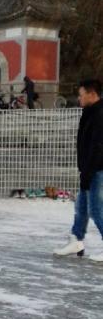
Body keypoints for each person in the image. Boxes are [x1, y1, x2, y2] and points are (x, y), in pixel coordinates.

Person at [53, 79, 103, 262]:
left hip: (97, 169)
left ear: (92, 94)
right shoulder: (89, 112)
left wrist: (89, 171)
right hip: (88, 169)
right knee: (81, 207)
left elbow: (98, 147)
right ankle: (77, 240)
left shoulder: (100, 114)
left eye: (81, 95)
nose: (79, 98)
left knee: (96, 209)